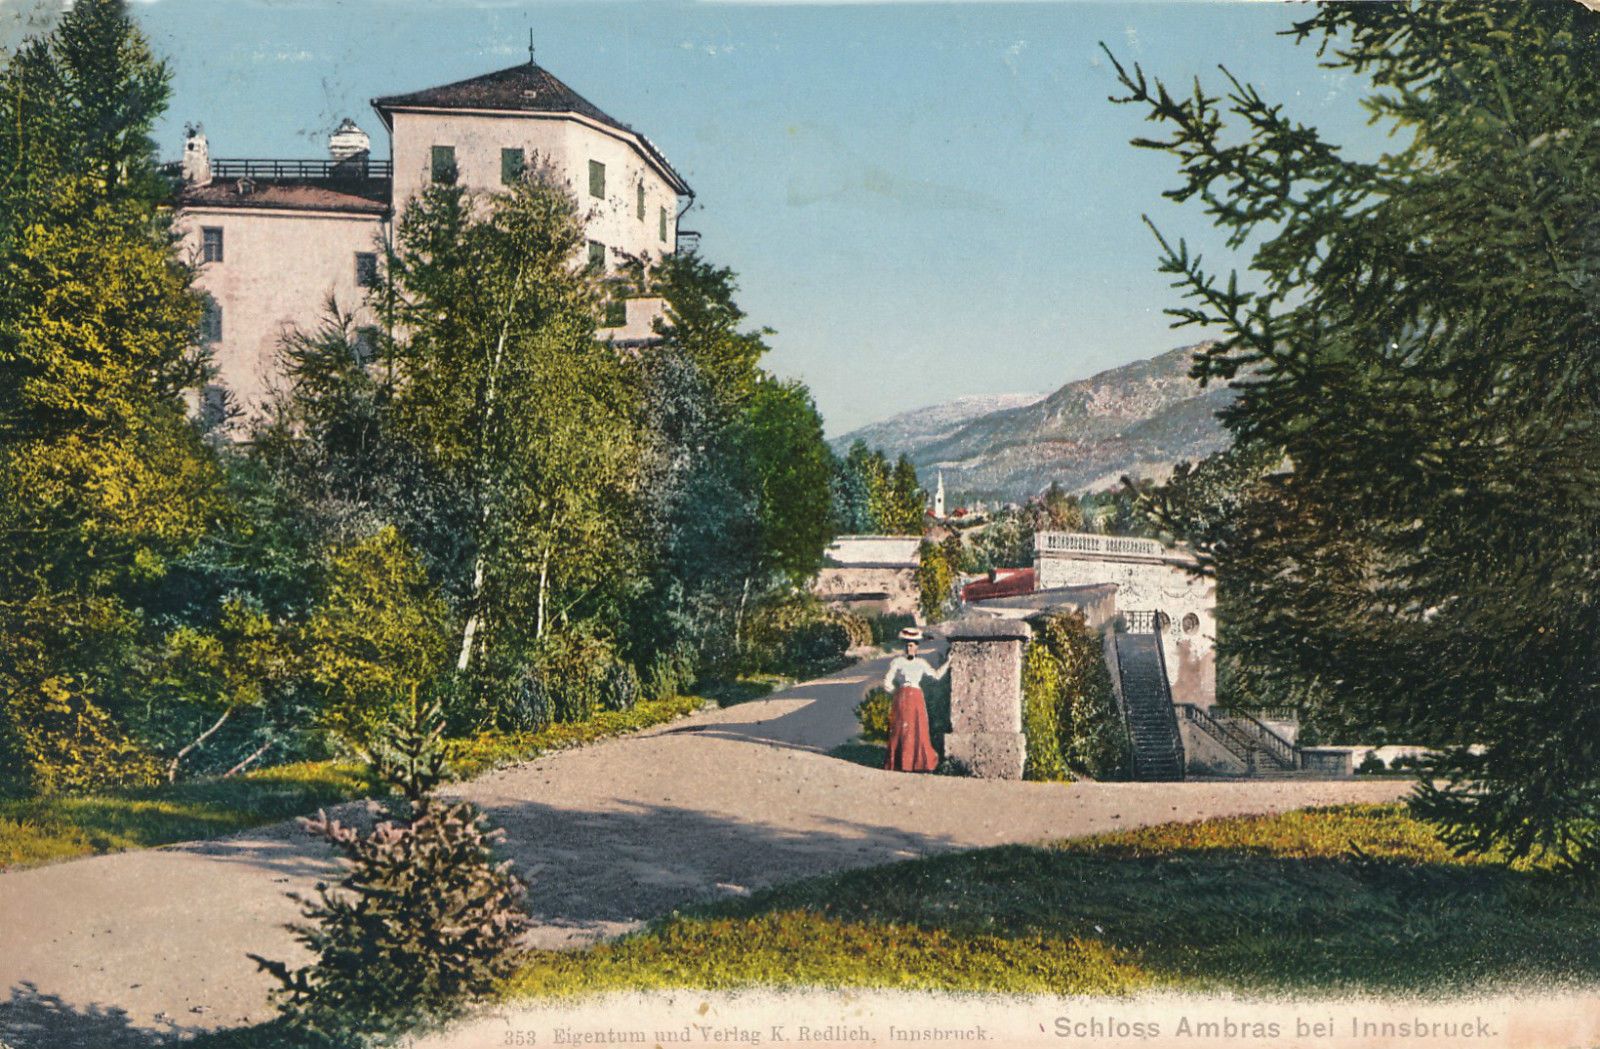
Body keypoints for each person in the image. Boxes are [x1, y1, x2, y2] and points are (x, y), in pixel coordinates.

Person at [882, 626, 948, 772]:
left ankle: (917, 763)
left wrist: (948, 662)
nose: (909, 649)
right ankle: (900, 763)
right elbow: (887, 681)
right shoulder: (897, 662)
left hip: (917, 696)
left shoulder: (921, 663)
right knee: (902, 729)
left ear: (916, 647)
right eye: (906, 645)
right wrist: (895, 691)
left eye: (911, 646)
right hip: (903, 697)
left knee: (918, 728)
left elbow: (936, 675)